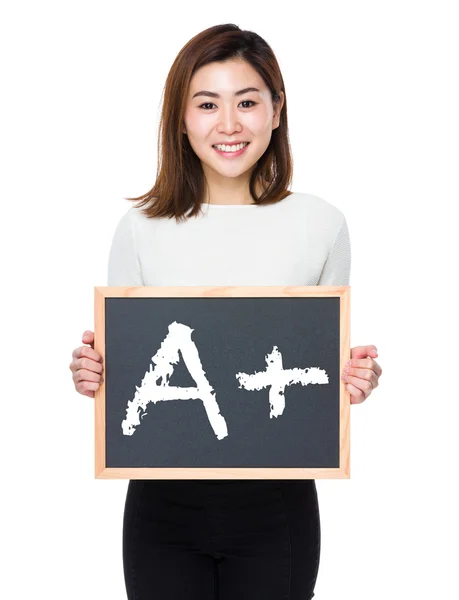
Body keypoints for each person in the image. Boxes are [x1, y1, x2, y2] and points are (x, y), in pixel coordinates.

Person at [69, 23, 382, 600]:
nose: (229, 124)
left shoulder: (321, 224)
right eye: (207, 104)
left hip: (277, 508)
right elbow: (127, 369)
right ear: (182, 118)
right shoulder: (140, 229)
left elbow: (318, 368)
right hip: (161, 508)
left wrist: (352, 379)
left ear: (276, 110)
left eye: (247, 102)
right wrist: (94, 373)